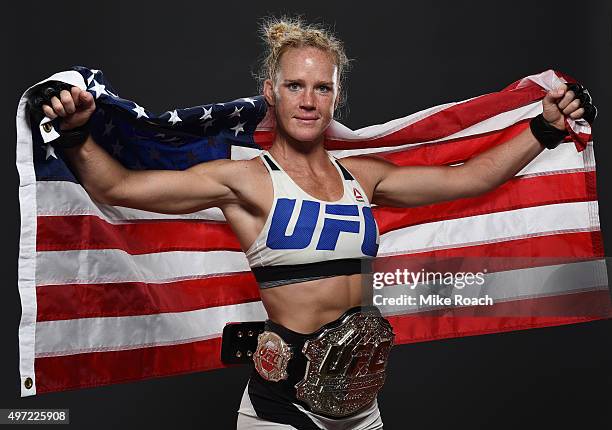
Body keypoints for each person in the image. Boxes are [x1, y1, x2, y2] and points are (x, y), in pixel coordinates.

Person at [28, 16, 596, 430]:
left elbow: (470, 179)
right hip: (282, 409)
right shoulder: (244, 179)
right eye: (295, 85)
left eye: (321, 86)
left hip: (362, 407)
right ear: (270, 92)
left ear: (336, 96)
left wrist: (543, 129)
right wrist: (76, 133)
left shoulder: (363, 176)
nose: (307, 98)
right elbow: (117, 188)